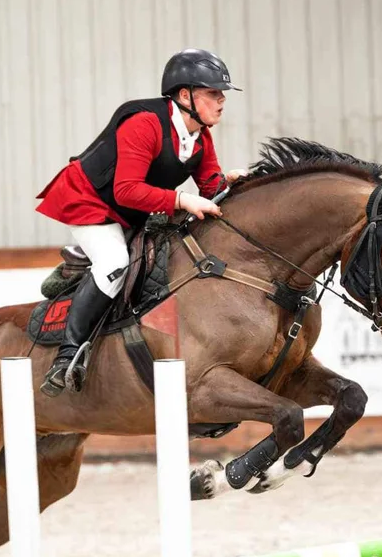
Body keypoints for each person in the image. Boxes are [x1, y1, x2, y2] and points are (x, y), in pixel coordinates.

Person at [34, 48, 248, 396]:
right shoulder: (145, 123)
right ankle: (67, 355)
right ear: (185, 95)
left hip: (132, 211)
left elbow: (211, 188)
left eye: (221, 93)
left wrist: (235, 185)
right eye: (213, 92)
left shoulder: (200, 136)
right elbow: (126, 189)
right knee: (115, 262)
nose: (222, 100)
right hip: (90, 200)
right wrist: (181, 199)